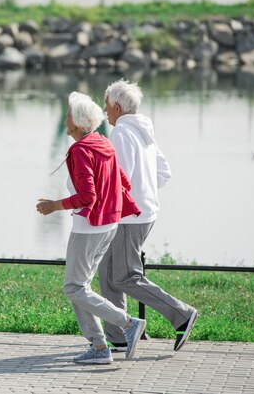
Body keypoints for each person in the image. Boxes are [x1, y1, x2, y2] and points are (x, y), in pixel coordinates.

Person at [36, 91, 146, 364]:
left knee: (74, 287)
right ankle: (99, 348)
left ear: (77, 122)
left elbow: (87, 196)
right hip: (108, 225)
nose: (65, 122)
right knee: (79, 286)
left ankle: (127, 323)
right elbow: (124, 181)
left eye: (68, 116)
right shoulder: (103, 143)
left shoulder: (81, 149)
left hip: (88, 228)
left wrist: (55, 205)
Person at [100, 79, 198, 353]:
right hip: (144, 212)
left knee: (124, 277)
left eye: (106, 106)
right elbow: (164, 172)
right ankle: (119, 337)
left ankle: (182, 314)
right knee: (107, 272)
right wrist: (145, 192)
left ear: (117, 107)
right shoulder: (144, 131)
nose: (105, 111)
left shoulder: (120, 133)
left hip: (127, 217)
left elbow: (121, 179)